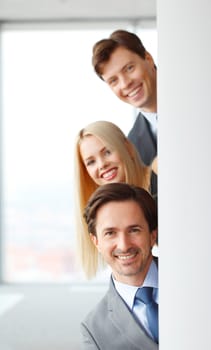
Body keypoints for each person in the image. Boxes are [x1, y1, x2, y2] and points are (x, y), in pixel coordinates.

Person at [74, 120, 156, 279]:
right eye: (91, 162)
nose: (102, 165)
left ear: (128, 148)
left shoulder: (160, 181)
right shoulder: (106, 211)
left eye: (107, 152)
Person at [81, 182, 158, 349]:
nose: (123, 245)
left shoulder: (194, 281)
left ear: (153, 234)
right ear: (96, 242)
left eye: (134, 230)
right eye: (110, 233)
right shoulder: (94, 331)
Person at [92, 29, 157, 197]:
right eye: (114, 81)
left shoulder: (200, 97)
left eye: (129, 68)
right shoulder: (132, 145)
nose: (126, 84)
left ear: (148, 59)